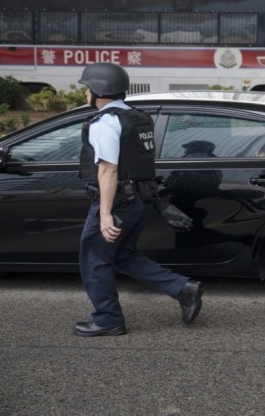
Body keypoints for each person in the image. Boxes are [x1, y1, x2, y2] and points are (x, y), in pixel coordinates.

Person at [74, 62, 203, 337]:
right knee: (124, 255)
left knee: (94, 260)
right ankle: (182, 288)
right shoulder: (138, 117)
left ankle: (107, 320)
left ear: (99, 91)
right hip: (139, 200)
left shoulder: (105, 123)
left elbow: (108, 170)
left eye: (87, 88)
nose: (85, 93)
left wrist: (104, 214)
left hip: (117, 202)